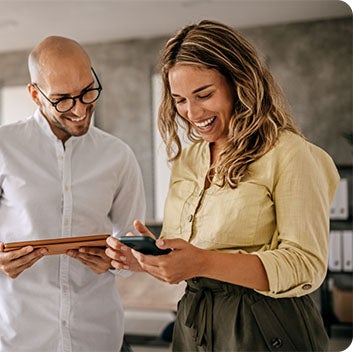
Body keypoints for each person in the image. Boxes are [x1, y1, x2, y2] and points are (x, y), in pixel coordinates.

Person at [106, 20, 340, 351]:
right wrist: (146, 259)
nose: (192, 112)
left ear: (239, 83)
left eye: (204, 94)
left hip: (266, 322)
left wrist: (203, 262)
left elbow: (305, 265)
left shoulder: (290, 154)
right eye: (180, 100)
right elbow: (187, 259)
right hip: (194, 323)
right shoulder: (189, 160)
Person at [0, 35, 146, 351]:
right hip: (21, 335)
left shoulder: (119, 156)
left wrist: (115, 261)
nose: (80, 108)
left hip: (97, 333)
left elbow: (133, 242)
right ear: (35, 93)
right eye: (63, 99)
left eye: (87, 92)